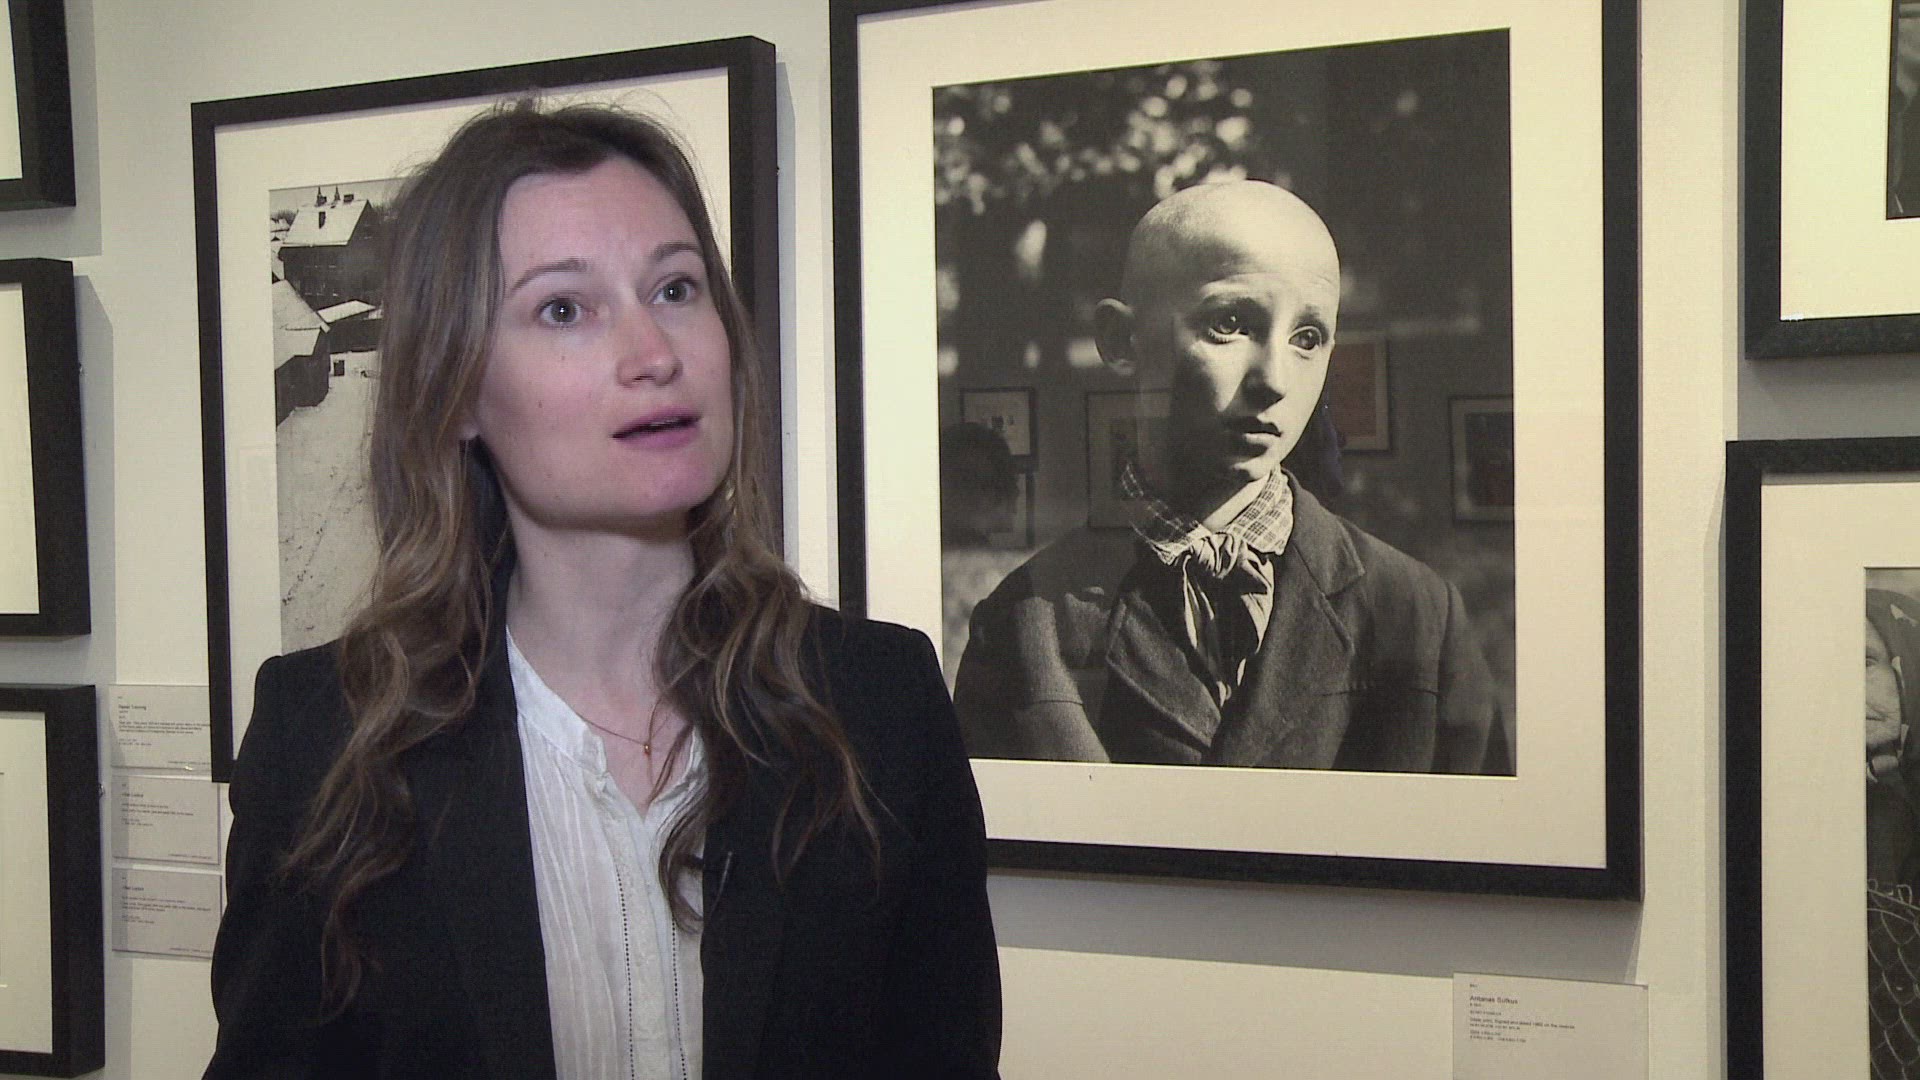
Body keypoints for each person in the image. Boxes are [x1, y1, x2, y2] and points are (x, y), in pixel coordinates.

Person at [205, 102, 1000, 1079]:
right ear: (456, 392)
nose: (655, 353)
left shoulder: (879, 701)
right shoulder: (325, 739)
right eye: (563, 309)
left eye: (675, 288)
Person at [952, 179, 1504, 773]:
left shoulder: (1417, 616)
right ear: (1121, 341)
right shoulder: (1022, 626)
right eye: (1232, 323)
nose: (1275, 380)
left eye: (1308, 338)